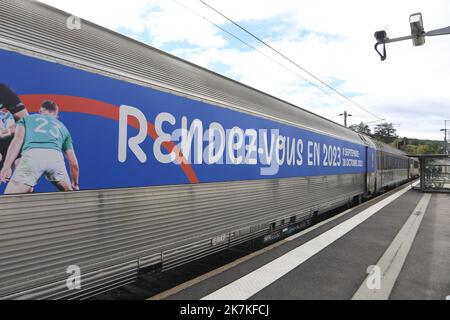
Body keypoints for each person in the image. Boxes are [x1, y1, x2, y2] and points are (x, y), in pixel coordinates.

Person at [0, 100, 79, 194]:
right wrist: (75, 184)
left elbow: (17, 141)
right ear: (56, 116)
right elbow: (73, 163)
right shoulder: (63, 127)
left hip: (32, 156)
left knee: (9, 199)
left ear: (40, 111)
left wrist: (6, 166)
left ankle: (27, 189)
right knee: (68, 192)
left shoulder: (27, 119)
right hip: (55, 158)